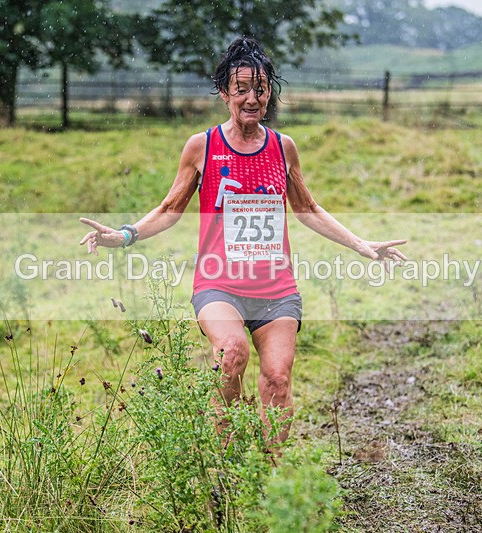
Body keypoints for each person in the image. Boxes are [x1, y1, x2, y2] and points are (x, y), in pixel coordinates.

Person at [80, 36, 407, 444]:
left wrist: (362, 245)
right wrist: (124, 235)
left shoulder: (282, 148)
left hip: (276, 289)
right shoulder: (203, 146)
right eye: (242, 89)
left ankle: (269, 474)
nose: (252, 98)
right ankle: (227, 460)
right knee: (231, 354)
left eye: (261, 89)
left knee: (277, 379)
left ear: (270, 92)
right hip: (219, 285)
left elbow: (308, 208)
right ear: (224, 94)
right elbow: (169, 209)